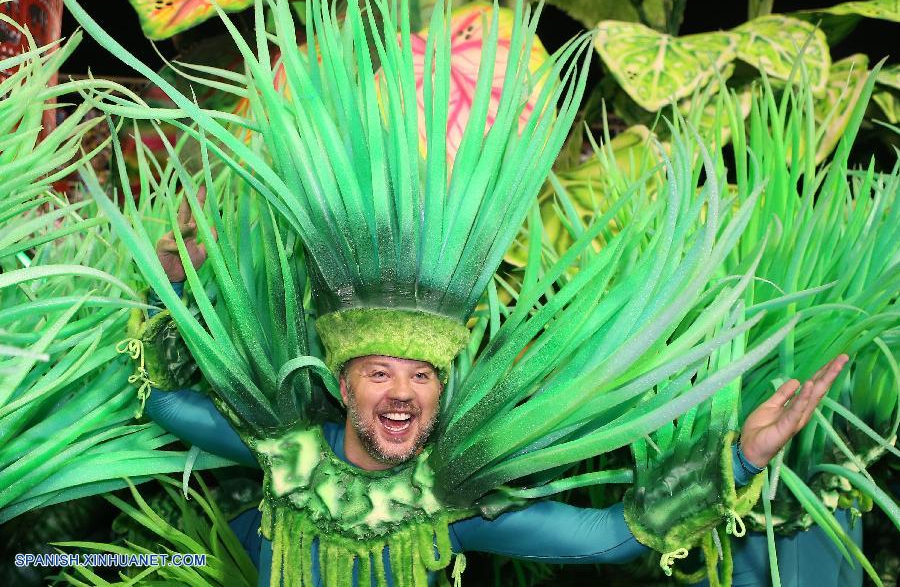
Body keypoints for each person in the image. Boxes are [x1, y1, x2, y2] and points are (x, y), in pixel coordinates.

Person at [146, 194, 851, 586]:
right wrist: (170, 282)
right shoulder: (286, 457)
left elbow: (609, 536)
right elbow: (159, 400)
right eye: (380, 373)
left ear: (440, 394)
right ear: (341, 386)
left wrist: (743, 458)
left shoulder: (448, 497)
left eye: (421, 375)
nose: (402, 392)